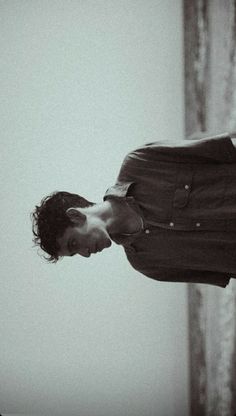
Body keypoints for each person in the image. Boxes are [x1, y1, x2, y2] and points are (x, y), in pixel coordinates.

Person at [32, 132, 236, 288]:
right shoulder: (147, 264)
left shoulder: (140, 164)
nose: (85, 254)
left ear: (75, 215)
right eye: (75, 253)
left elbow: (222, 149)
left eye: (74, 242)